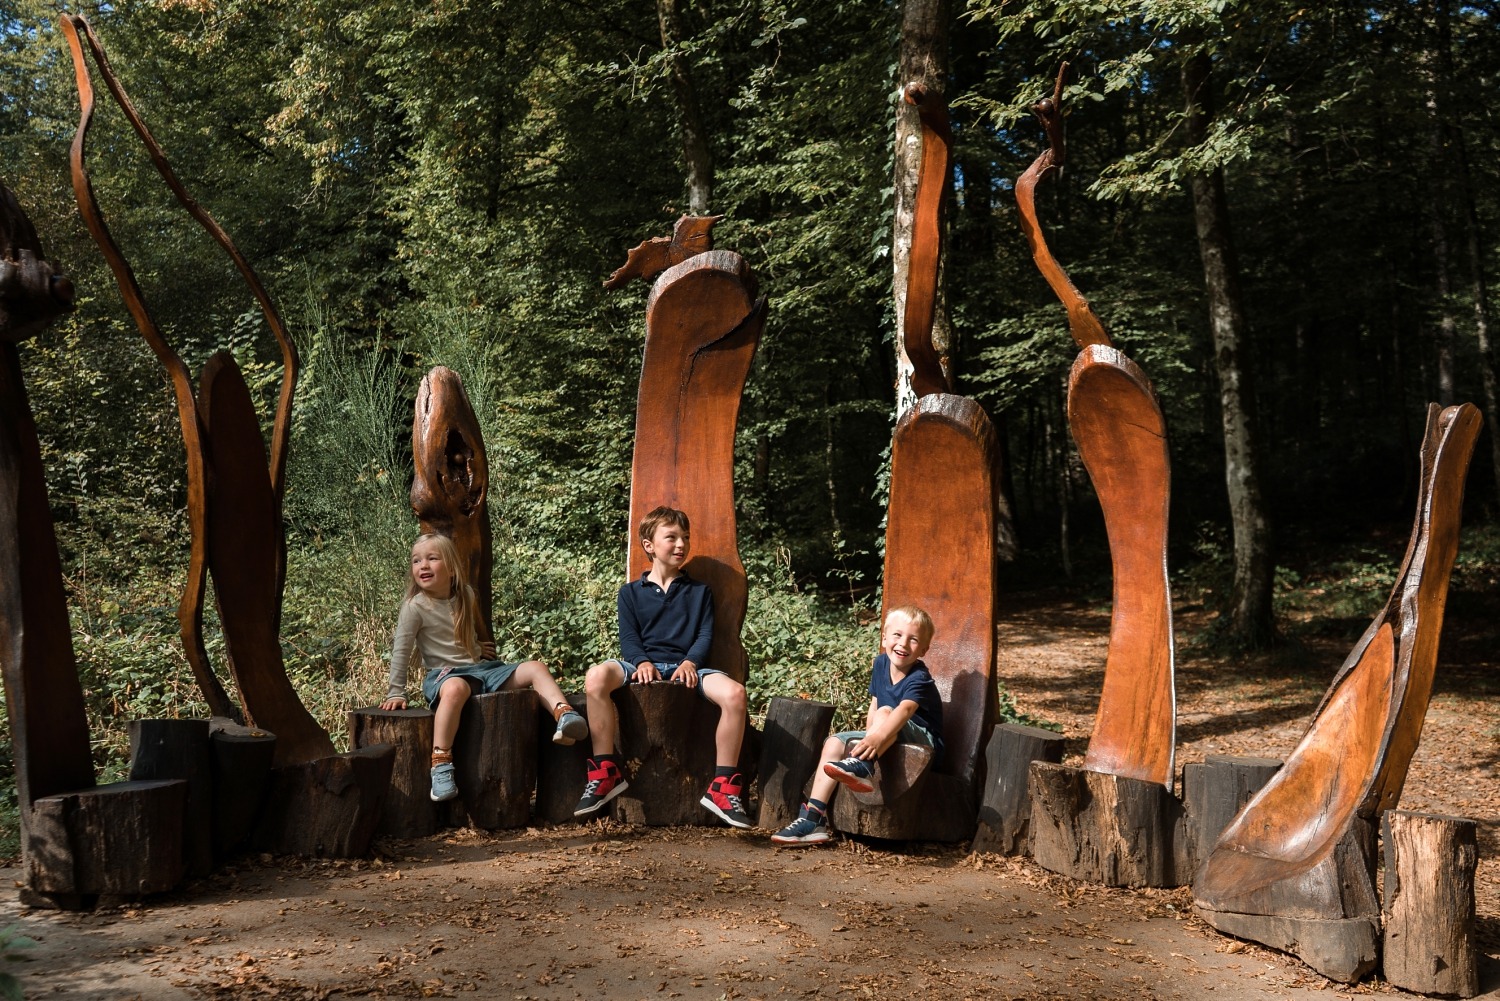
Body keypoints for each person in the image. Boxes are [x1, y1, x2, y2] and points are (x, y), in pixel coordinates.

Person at [573, 505, 751, 828]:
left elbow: (704, 635)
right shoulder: (629, 594)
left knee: (736, 694)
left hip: (689, 668)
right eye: (671, 537)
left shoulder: (699, 592)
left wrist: (690, 662)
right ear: (649, 545)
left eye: (685, 537)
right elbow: (629, 638)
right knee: (596, 677)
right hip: (640, 665)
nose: (681, 544)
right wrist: (640, 661)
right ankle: (604, 772)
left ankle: (723, 787)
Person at [381, 533, 588, 802]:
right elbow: (401, 650)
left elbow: (465, 633)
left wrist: (478, 648)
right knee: (455, 689)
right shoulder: (415, 607)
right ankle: (441, 763)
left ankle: (564, 715)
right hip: (445, 676)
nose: (423, 565)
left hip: (480, 671)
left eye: (432, 558)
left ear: (452, 568)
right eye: (416, 560)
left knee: (535, 667)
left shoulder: (465, 594)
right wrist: (396, 691)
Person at [770, 605, 943, 846]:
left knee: (887, 710)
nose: (903, 643)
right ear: (884, 638)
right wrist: (867, 737)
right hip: (887, 732)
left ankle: (863, 766)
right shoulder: (881, 664)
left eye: (913, 640)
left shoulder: (919, 678)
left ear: (923, 649)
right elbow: (874, 705)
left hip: (923, 739)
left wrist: (872, 741)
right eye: (897, 635)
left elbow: (905, 710)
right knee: (834, 743)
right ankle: (813, 819)